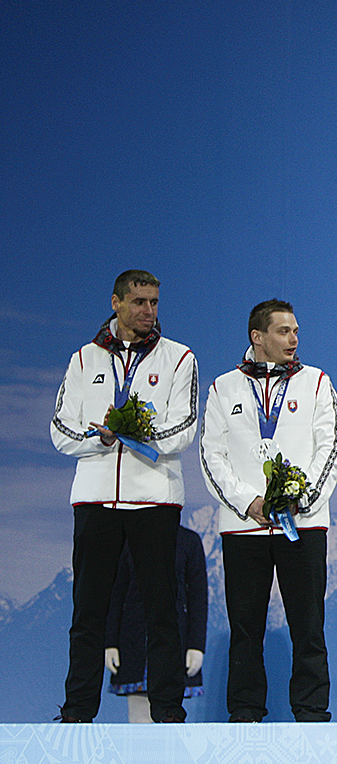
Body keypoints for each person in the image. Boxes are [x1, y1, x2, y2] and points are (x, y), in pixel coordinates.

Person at [50, 269, 199, 723]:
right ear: (116, 303)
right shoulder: (83, 359)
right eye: (139, 302)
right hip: (95, 498)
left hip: (154, 498)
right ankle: (77, 712)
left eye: (154, 302)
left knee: (162, 609)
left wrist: (133, 434)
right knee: (88, 610)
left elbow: (185, 427)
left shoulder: (179, 358)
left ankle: (169, 713)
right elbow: (60, 430)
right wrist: (101, 440)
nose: (148, 312)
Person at [199, 299, 337, 722]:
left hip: (303, 524)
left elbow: (332, 446)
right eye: (283, 331)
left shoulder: (317, 383)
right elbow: (212, 456)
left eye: (296, 331)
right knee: (245, 630)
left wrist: (302, 497)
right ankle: (245, 716)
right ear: (257, 337)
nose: (294, 339)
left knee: (309, 627)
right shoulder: (223, 388)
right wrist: (250, 502)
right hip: (245, 527)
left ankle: (313, 715)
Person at [105, 526, 208, 723]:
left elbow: (198, 596)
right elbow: (116, 594)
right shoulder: (128, 540)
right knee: (138, 719)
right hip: (134, 641)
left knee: (170, 717)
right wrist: (110, 641)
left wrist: (196, 645)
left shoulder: (188, 541)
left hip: (176, 642)